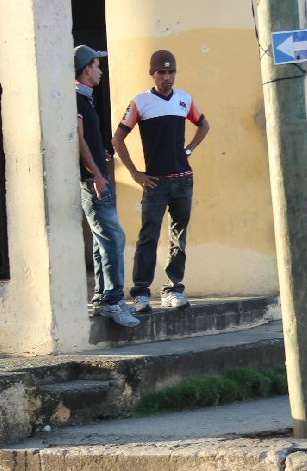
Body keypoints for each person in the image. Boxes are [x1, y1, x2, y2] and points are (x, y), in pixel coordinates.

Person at [112, 49, 210, 313]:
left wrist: (189, 150)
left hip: (183, 181)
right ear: (152, 74)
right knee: (148, 236)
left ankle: (173, 290)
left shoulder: (185, 100)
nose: (167, 77)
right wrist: (135, 173)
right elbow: (117, 138)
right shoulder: (140, 102)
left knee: (179, 237)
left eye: (171, 71)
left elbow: (204, 125)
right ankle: (141, 293)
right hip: (155, 183)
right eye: (161, 72)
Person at [76, 45, 139, 328]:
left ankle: (103, 299)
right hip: (94, 181)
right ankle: (114, 301)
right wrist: (96, 174)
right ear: (86, 69)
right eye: (97, 66)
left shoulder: (85, 98)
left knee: (103, 239)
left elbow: (87, 139)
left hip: (96, 178)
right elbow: (79, 140)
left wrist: (99, 154)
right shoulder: (77, 98)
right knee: (113, 238)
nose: (100, 71)